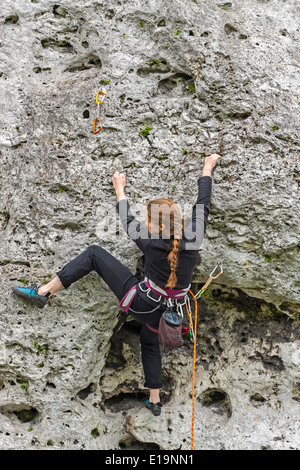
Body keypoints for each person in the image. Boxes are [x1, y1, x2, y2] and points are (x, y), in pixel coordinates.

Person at [12, 153, 222, 416]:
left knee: (93, 254)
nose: (145, 224)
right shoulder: (194, 237)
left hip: (142, 304)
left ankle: (43, 292)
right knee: (149, 340)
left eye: (149, 221)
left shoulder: (149, 241)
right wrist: (207, 167)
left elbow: (127, 220)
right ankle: (155, 400)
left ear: (156, 226)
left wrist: (120, 189)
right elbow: (203, 203)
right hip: (171, 316)